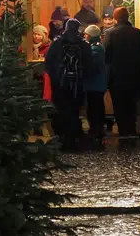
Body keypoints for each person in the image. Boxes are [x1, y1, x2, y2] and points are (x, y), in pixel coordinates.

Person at [45, 18, 92, 152]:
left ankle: (62, 136)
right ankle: (73, 136)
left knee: (61, 108)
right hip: (78, 83)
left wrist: (55, 77)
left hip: (61, 82)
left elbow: (48, 62)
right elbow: (89, 64)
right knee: (74, 109)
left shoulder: (57, 43)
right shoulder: (84, 44)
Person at [104, 7, 140, 140]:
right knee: (131, 103)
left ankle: (123, 131)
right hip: (135, 73)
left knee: (119, 103)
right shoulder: (138, 33)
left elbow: (107, 54)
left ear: (115, 18)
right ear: (127, 17)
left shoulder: (111, 33)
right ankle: (132, 129)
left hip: (117, 74)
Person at [82, 24, 108, 149]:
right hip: (97, 83)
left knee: (95, 108)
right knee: (95, 107)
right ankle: (97, 129)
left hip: (94, 84)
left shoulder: (95, 49)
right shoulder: (97, 47)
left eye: (86, 34)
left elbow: (92, 66)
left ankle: (96, 129)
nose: (84, 36)